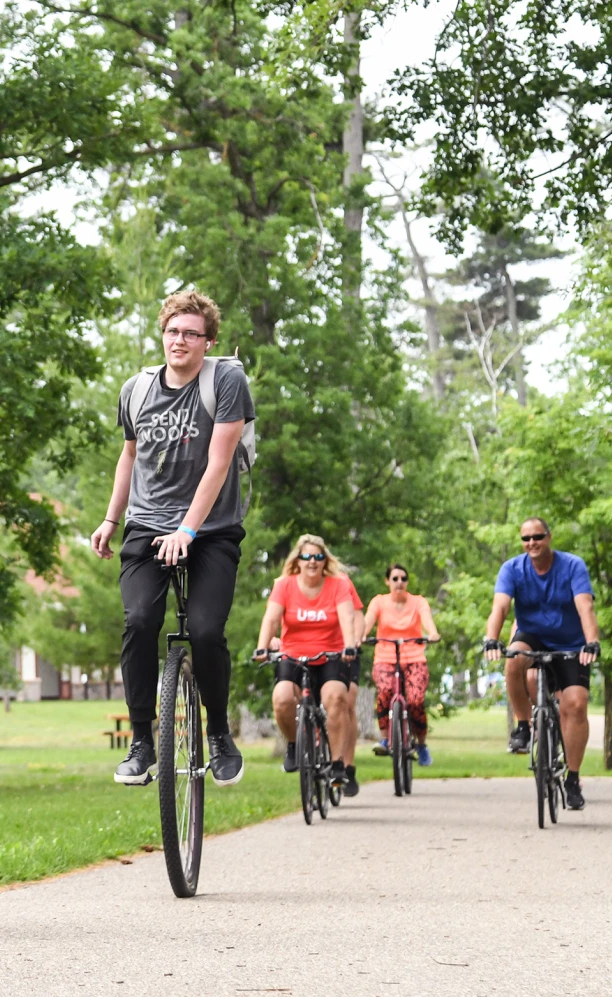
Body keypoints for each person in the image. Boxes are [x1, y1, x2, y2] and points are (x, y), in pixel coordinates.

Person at [91, 290, 256, 787]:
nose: (179, 340)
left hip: (212, 530)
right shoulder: (137, 389)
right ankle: (142, 741)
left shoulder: (226, 380)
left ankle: (221, 735)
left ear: (208, 341)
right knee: (140, 620)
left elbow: (220, 461)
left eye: (190, 333)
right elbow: (129, 457)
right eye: (172, 332)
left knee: (205, 631)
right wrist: (111, 519)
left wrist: (187, 529)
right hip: (147, 523)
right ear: (162, 335)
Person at [483, 517, 601, 810]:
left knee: (576, 704)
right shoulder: (512, 569)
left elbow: (584, 605)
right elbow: (500, 606)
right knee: (514, 660)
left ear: (549, 536)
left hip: (571, 642)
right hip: (532, 635)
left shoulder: (572, 565)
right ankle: (523, 726)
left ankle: (572, 778)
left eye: (537, 536)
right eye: (526, 538)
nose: (532, 543)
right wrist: (491, 638)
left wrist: (591, 641)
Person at [255, 535, 363, 794]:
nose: (312, 562)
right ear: (298, 561)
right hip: (293, 655)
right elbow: (271, 618)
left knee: (336, 698)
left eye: (318, 557)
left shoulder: (338, 584)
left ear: (325, 561)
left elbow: (348, 617)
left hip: (331, 656)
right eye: (307, 557)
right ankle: (294, 744)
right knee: (281, 699)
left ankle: (337, 764)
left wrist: (350, 645)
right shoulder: (284, 585)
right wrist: (262, 645)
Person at [363, 564, 441, 765]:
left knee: (415, 700)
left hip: (414, 657)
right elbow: (366, 623)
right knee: (385, 692)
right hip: (385, 657)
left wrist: (432, 634)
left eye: (403, 579)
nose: (399, 583)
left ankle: (422, 744)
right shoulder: (379, 602)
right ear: (387, 581)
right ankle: (385, 738)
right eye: (395, 578)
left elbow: (428, 621)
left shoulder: (418, 602)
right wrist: (360, 636)